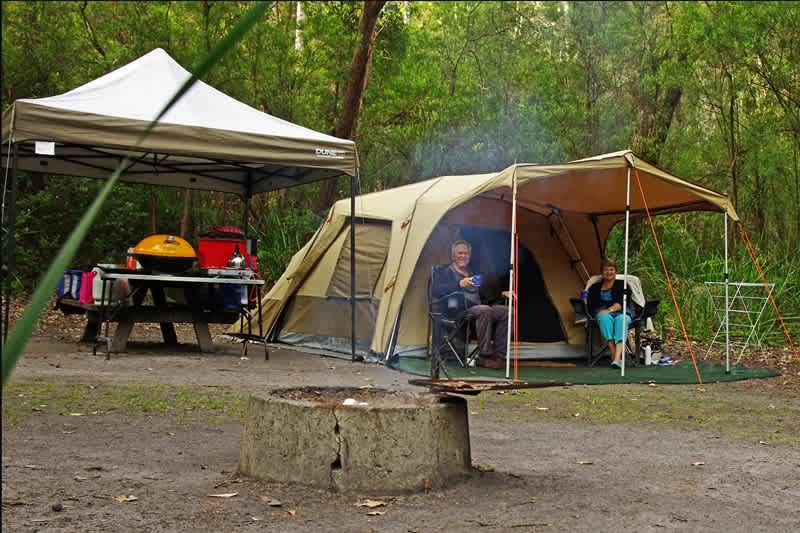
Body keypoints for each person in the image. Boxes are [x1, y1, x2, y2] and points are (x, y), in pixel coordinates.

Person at [431, 240, 509, 359]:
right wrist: (459, 284)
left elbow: (485, 295)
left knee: (506, 311)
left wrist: (501, 294)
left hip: (479, 310)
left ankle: (499, 356)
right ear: (453, 255)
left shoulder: (473, 273)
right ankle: (485, 355)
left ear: (470, 255)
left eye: (466, 253)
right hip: (458, 310)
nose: (463, 256)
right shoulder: (444, 271)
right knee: (484, 310)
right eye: (460, 253)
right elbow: (435, 290)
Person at [587, 259, 632, 368]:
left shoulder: (623, 285)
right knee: (604, 318)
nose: (608, 272)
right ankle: (614, 353)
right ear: (602, 272)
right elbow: (591, 304)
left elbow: (623, 302)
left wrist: (609, 310)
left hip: (621, 312)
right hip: (602, 313)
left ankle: (616, 359)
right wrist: (601, 312)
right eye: (605, 270)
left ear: (615, 271)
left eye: (611, 269)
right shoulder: (594, 287)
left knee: (622, 320)